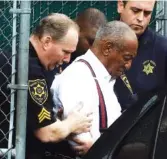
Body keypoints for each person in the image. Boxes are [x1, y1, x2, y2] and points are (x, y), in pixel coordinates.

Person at [51, 21, 138, 156]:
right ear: (107, 48)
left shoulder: (105, 79)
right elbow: (81, 143)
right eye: (126, 58)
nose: (128, 65)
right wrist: (103, 149)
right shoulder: (78, 77)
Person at [26, 13, 92, 159]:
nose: (67, 59)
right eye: (65, 52)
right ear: (47, 41)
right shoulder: (31, 70)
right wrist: (73, 123)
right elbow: (48, 133)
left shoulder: (26, 60)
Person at [115, 0, 167, 109]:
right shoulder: (100, 41)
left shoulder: (163, 48)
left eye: (147, 13)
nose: (140, 18)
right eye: (135, 10)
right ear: (120, 5)